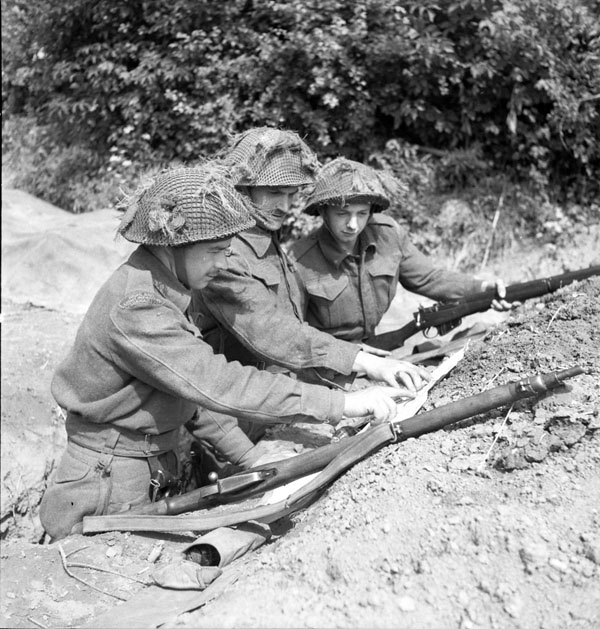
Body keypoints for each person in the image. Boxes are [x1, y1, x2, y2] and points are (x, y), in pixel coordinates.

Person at [39, 164, 407, 541]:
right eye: (215, 251)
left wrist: (251, 459)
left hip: (151, 467)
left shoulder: (172, 286)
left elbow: (188, 398)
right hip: (108, 483)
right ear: (174, 246)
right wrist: (342, 404)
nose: (222, 264)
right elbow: (218, 383)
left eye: (227, 251)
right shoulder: (139, 305)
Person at [189, 128, 430, 447]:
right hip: (231, 422)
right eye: (275, 193)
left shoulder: (266, 240)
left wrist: (358, 370)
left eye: (291, 195)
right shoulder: (227, 253)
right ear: (242, 188)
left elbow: (295, 330)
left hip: (273, 403)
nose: (285, 205)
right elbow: (274, 334)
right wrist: (364, 364)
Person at [288, 157, 515, 343]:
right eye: (342, 214)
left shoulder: (387, 235)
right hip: (325, 366)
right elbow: (290, 332)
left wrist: (482, 288)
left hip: (378, 350)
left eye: (362, 213)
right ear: (324, 213)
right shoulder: (299, 260)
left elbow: (429, 278)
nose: (353, 225)